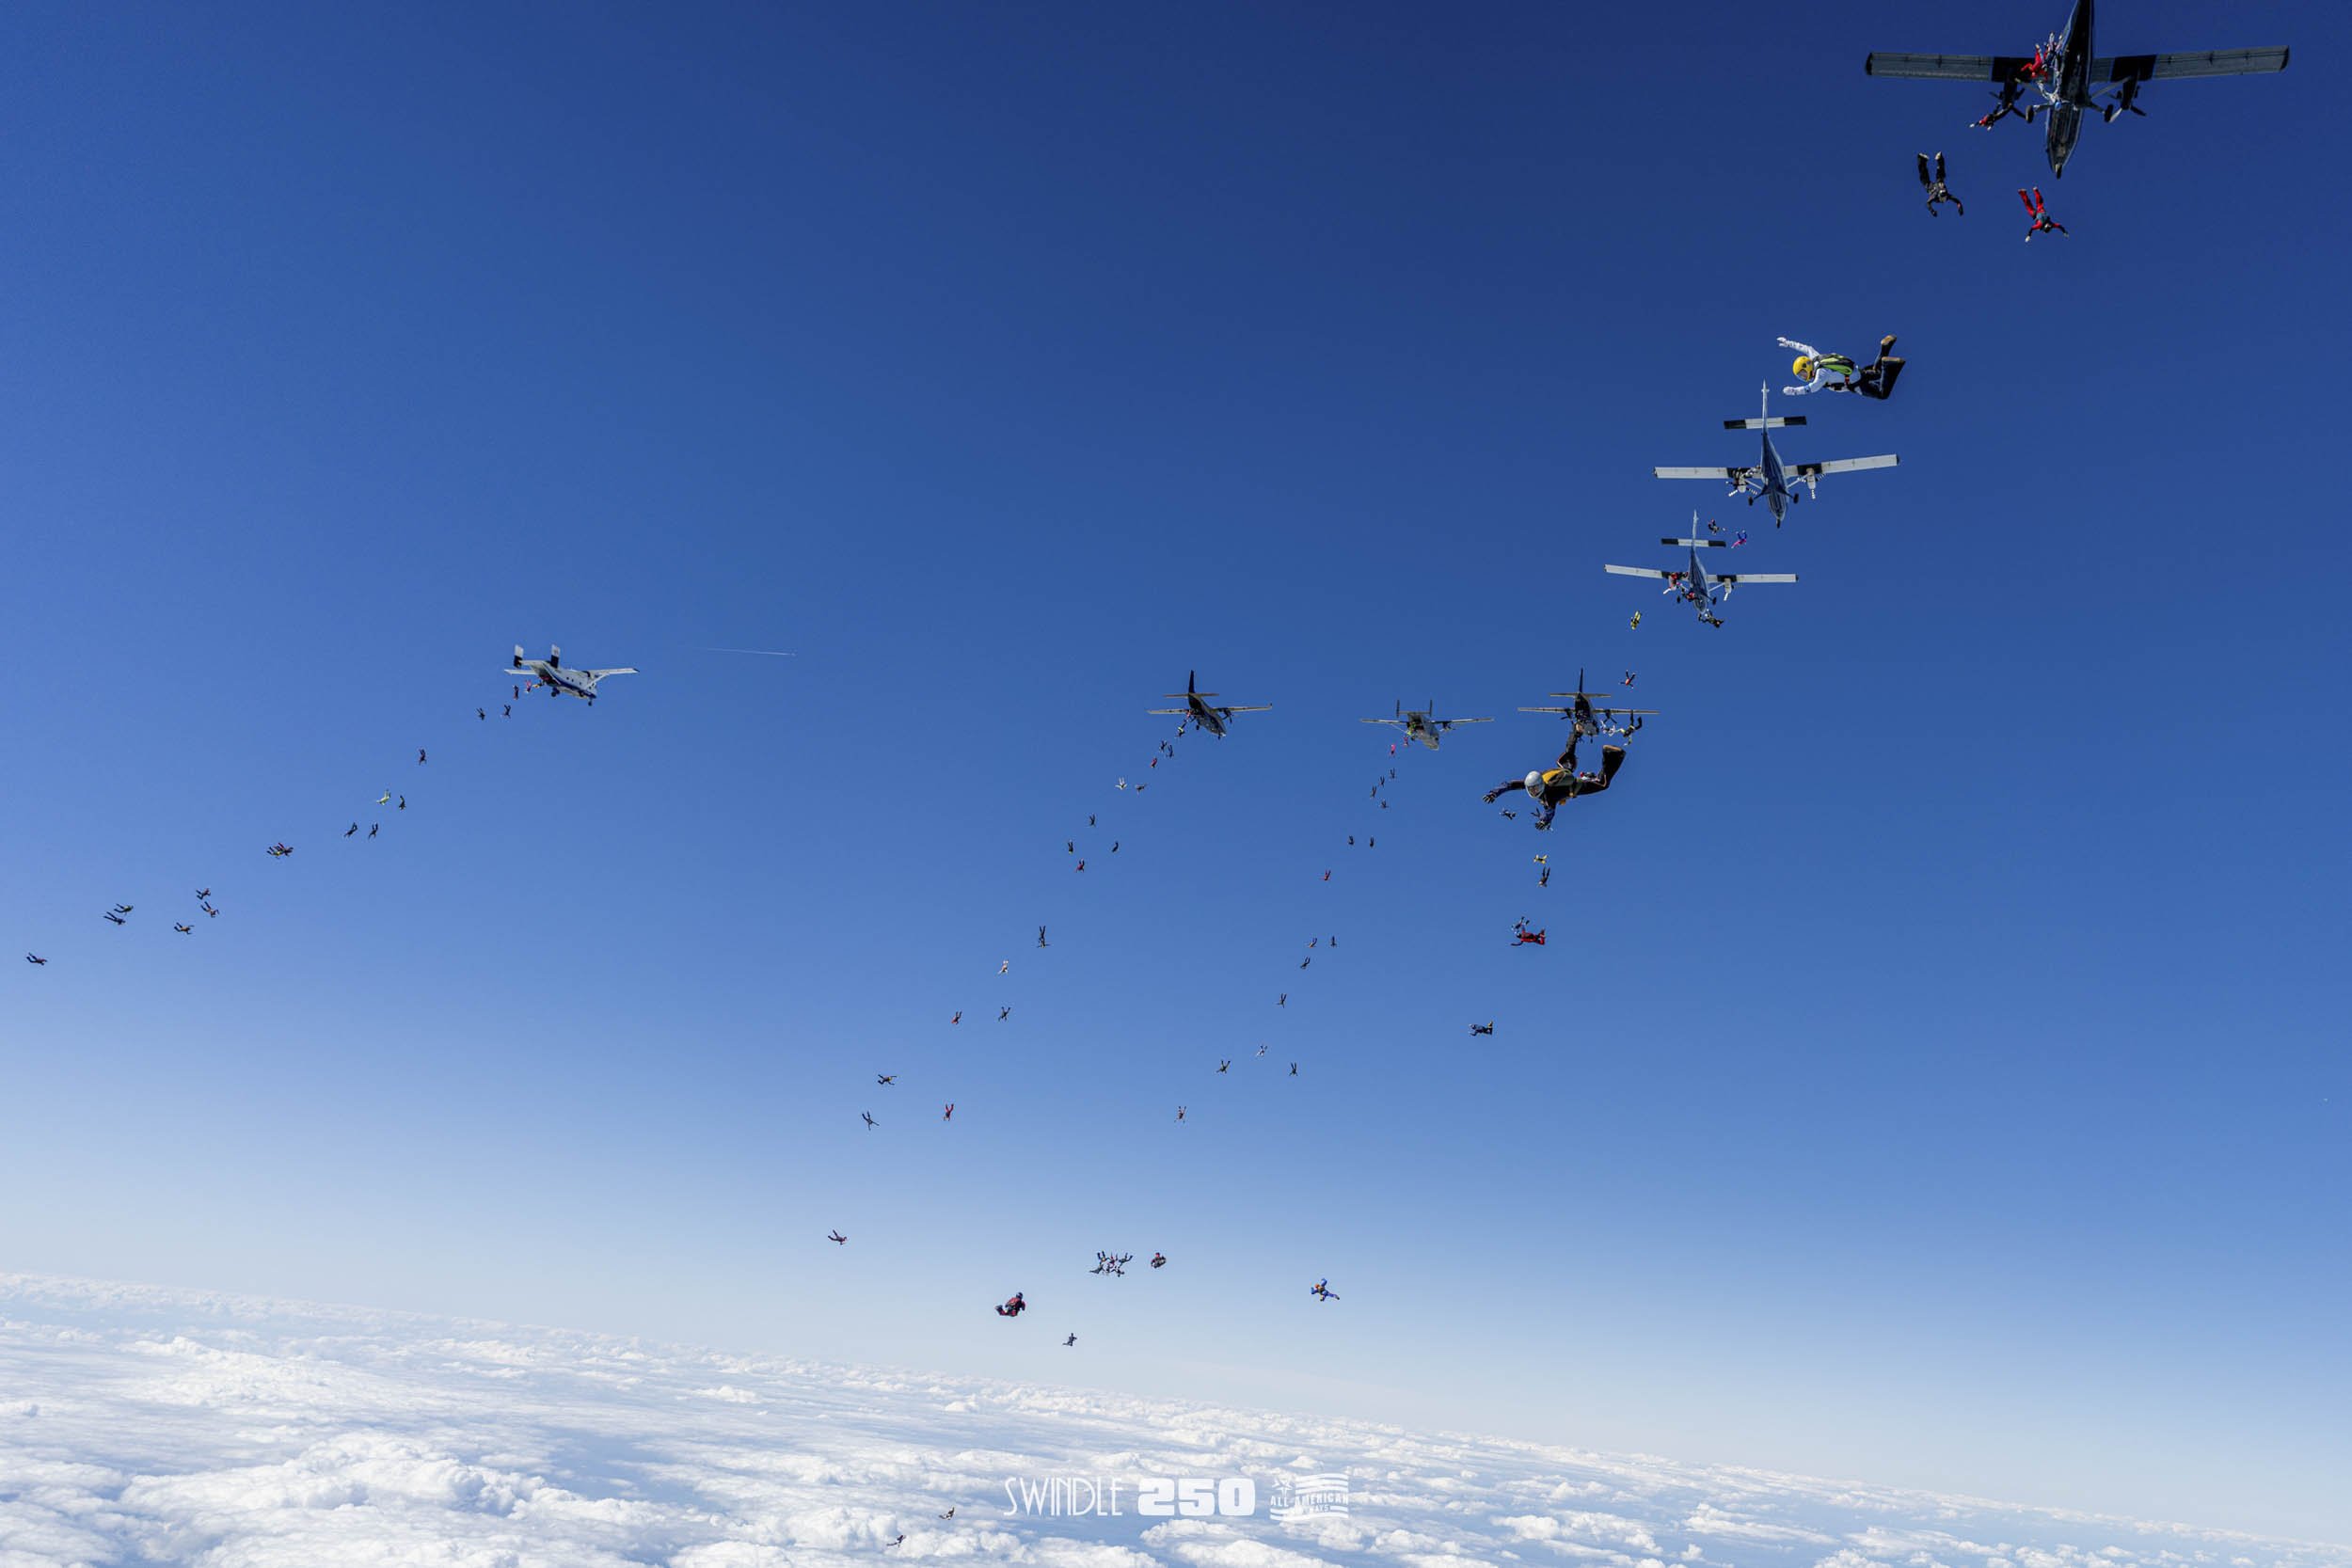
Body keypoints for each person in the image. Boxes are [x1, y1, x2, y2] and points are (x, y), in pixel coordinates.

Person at [1482, 733, 1626, 829]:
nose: (1534, 792)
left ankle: (1613, 755)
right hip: (1563, 772)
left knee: (1603, 784)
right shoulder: (1533, 782)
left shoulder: (1550, 795)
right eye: (1531, 789)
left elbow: (1550, 811)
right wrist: (1494, 793)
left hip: (1576, 786)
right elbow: (1510, 785)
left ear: (1540, 784)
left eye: (1535, 789)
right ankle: (1576, 731)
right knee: (1569, 754)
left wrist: (1544, 821)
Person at [1780, 336, 1857, 395]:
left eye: (1803, 373)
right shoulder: (1816, 359)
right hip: (1852, 375)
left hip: (1855, 381)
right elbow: (1806, 349)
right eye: (1801, 376)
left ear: (1807, 366)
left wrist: (1794, 391)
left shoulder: (1820, 373)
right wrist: (1789, 343)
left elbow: (1812, 388)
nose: (1804, 377)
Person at [1916, 151, 1963, 215]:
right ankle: (1938, 159)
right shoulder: (1944, 196)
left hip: (1931, 187)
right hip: (1936, 184)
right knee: (1940, 175)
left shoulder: (1938, 196)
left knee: (1925, 178)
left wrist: (1932, 211)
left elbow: (1928, 203)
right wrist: (1960, 208)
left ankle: (1922, 160)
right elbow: (1957, 201)